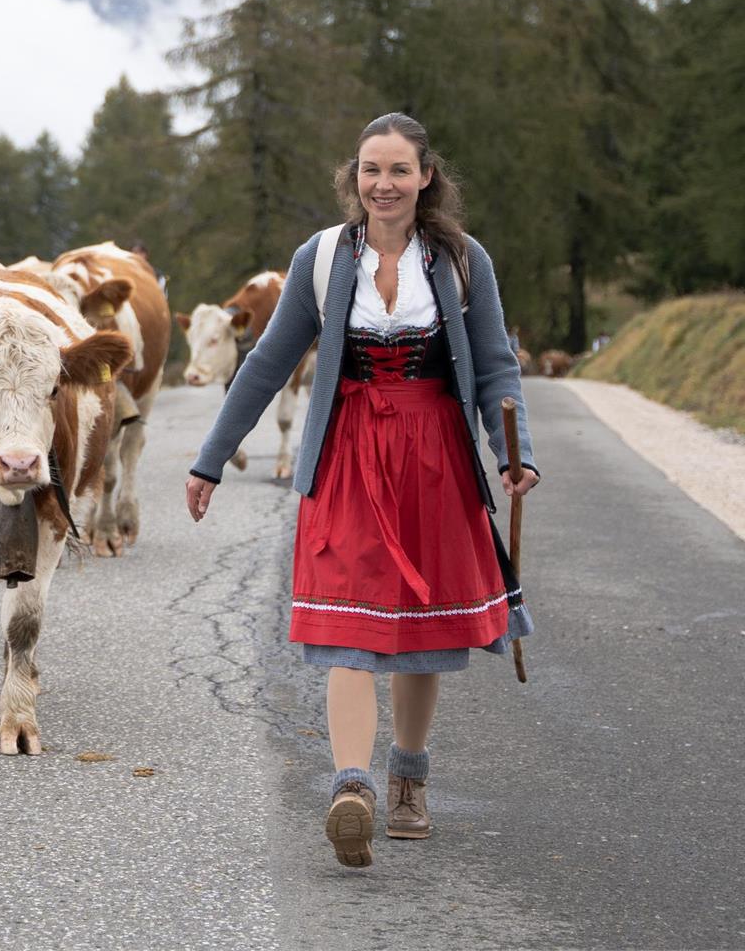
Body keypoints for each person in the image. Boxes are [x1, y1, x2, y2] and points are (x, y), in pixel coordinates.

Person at [183, 112, 539, 870]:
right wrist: (211, 459)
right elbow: (267, 365)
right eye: (371, 170)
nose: (384, 184)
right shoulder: (321, 258)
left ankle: (408, 779)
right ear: (355, 177)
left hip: (435, 454)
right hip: (347, 453)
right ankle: (353, 787)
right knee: (350, 614)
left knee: (419, 626)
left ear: (425, 177)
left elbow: (497, 368)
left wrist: (516, 455)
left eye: (399, 170)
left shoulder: (462, 260)